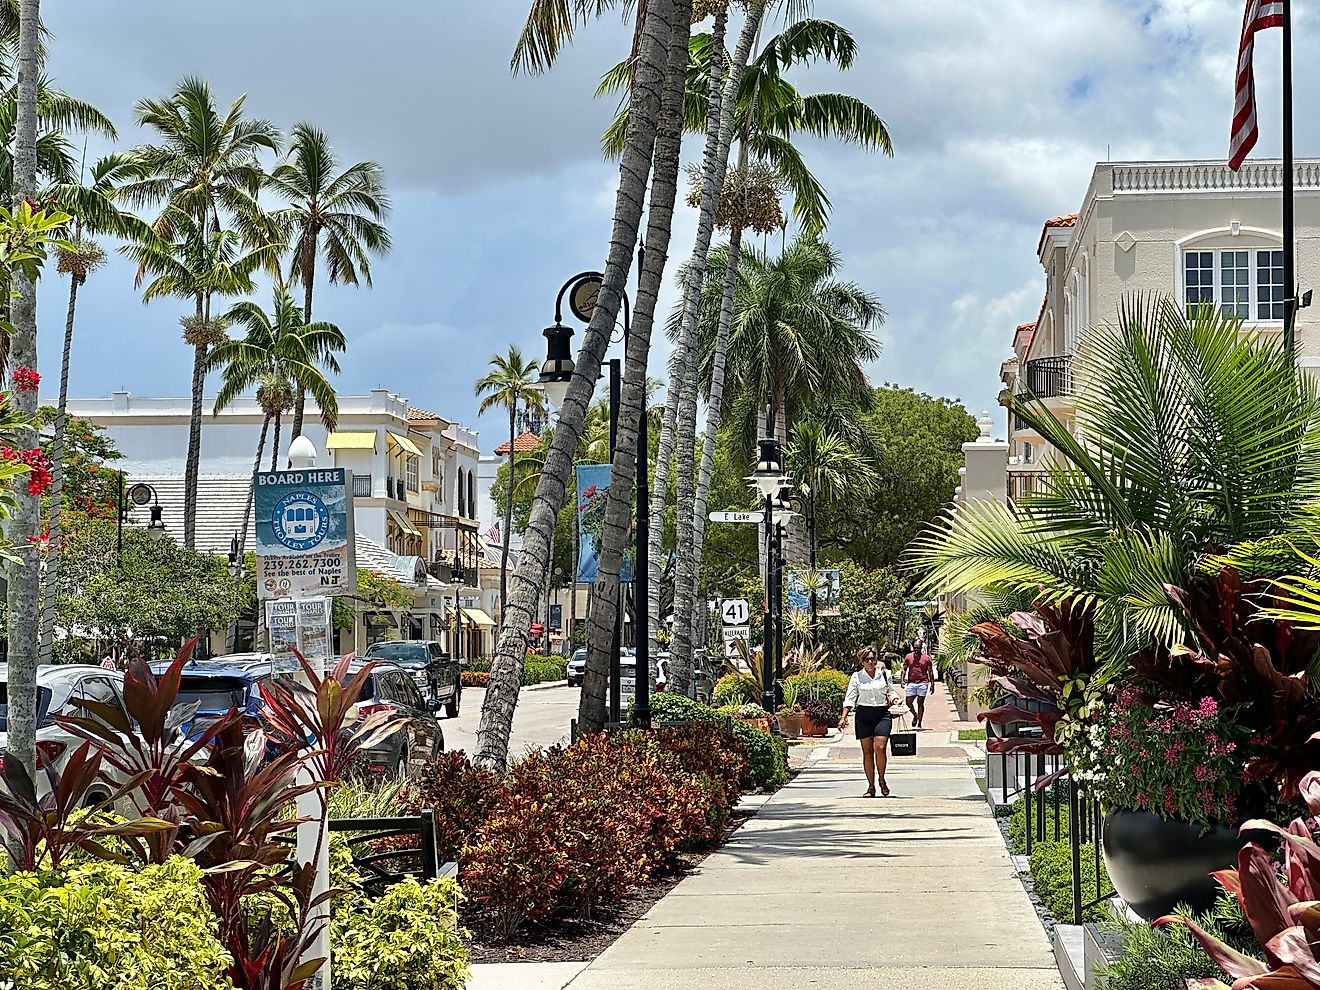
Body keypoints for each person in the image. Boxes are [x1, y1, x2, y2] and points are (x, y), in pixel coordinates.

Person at [838, 646, 900, 798]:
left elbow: (891, 691)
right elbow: (850, 698)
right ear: (862, 662)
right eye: (867, 660)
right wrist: (843, 717)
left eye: (873, 659)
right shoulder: (857, 677)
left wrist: (895, 700)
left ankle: (882, 780)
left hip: (882, 714)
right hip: (864, 715)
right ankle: (871, 786)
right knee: (867, 752)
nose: (871, 662)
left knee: (880, 747)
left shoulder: (885, 674)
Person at [903, 640, 935, 730]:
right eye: (915, 648)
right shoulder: (908, 657)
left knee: (920, 703)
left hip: (923, 682)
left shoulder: (926, 658)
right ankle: (915, 715)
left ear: (921, 648)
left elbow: (930, 672)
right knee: (908, 702)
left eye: (918, 648)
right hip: (911, 682)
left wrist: (932, 684)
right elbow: (904, 669)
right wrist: (902, 680)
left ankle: (920, 723)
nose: (916, 650)